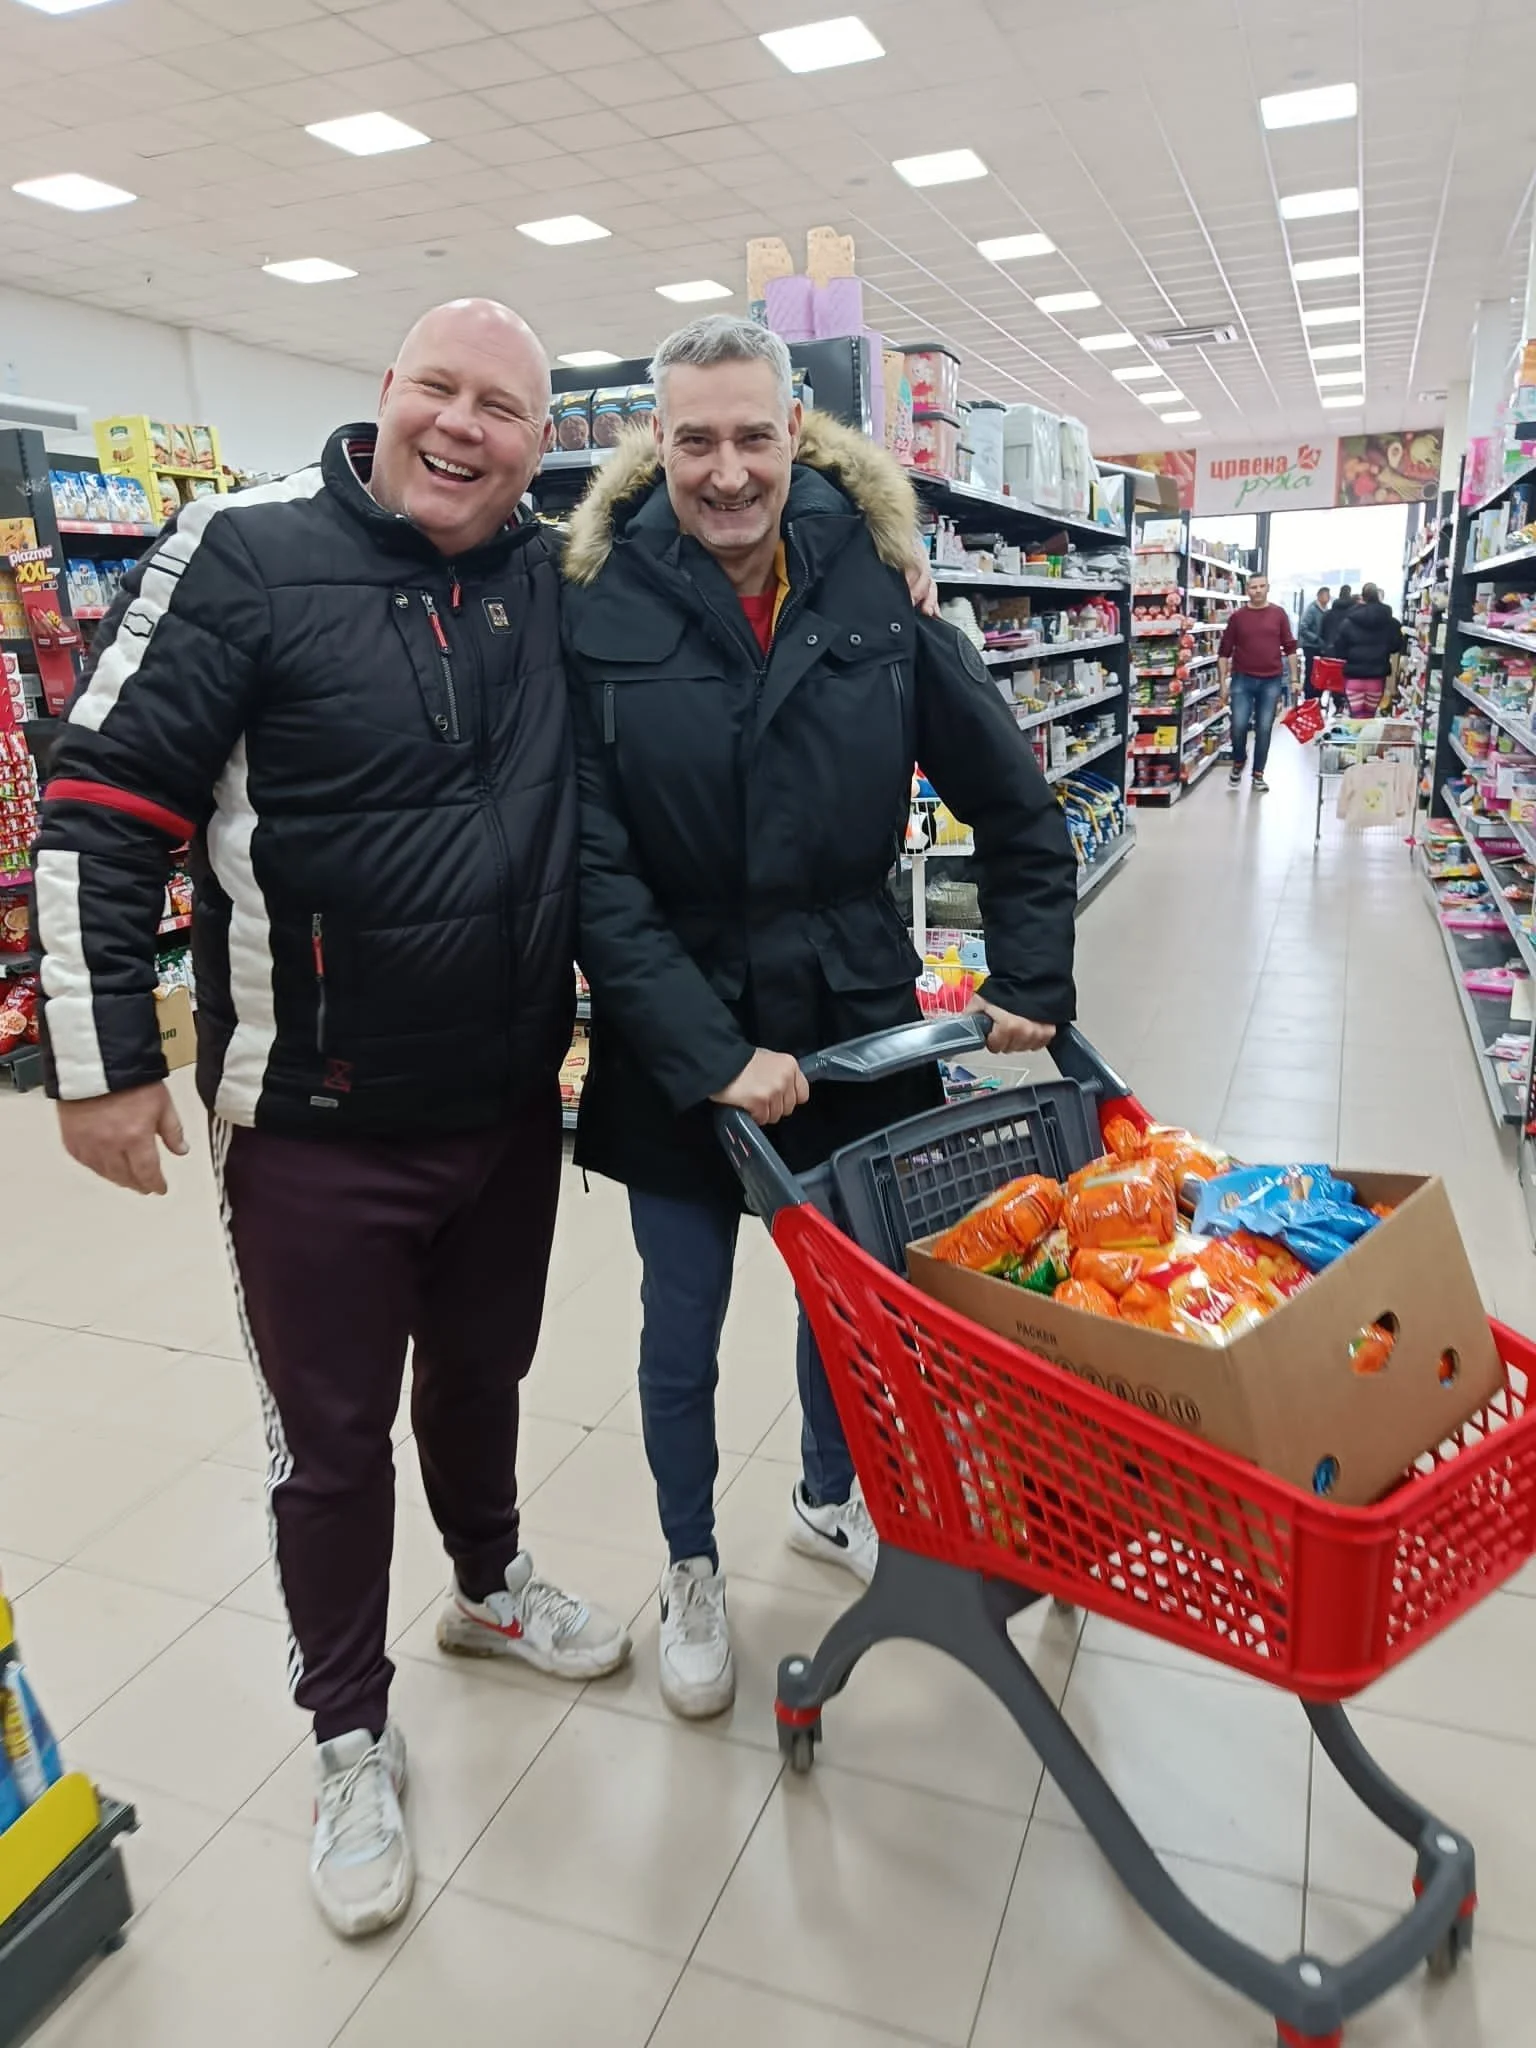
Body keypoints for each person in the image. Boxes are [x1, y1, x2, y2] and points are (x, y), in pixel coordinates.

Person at [32, 299, 631, 1940]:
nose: (464, 426)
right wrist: (97, 1057)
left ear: (536, 438)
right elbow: (99, 804)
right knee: (330, 1440)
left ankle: (491, 1587)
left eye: (502, 406)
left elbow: (727, 571)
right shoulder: (243, 550)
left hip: (511, 1100)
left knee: (489, 1370)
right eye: (438, 388)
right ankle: (349, 1734)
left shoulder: (548, 569)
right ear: (384, 396)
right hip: (310, 1118)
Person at [561, 314, 1078, 1721]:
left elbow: (1016, 805)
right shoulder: (593, 608)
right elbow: (594, 875)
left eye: (752, 436)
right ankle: (689, 1561)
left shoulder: (877, 590)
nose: (726, 471)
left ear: (798, 433)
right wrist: (711, 1050)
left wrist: (1032, 973)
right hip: (680, 1036)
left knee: (853, 1302)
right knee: (681, 1325)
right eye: (694, 440)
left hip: (853, 1016)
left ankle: (827, 1493)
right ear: (653, 445)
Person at [1218, 572, 1299, 794]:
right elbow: (1224, 651)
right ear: (1247, 590)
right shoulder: (1238, 618)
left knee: (1264, 728)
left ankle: (1258, 774)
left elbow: (1290, 647)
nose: (1258, 591)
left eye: (1262, 586)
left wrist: (1294, 679)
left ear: (1268, 588)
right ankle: (1238, 760)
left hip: (1271, 680)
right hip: (1242, 679)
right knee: (1239, 726)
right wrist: (1222, 684)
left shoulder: (1278, 614)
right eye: (1253, 587)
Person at [1333, 581, 1405, 716]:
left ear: (1363, 597)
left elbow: (1339, 649)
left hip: (1353, 679)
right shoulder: (1390, 622)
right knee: (1369, 716)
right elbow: (1396, 646)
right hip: (1376, 679)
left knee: (1357, 717)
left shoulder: (1348, 622)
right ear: (1378, 596)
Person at [1298, 586, 1331, 695]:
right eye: (1327, 595)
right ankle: (1309, 695)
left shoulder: (1326, 610)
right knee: (1311, 671)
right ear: (1320, 596)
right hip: (1310, 646)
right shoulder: (1312, 609)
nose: (1329, 598)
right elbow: (1303, 627)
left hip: (1320, 647)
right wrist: (1315, 638)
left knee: (1319, 673)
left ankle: (1317, 695)